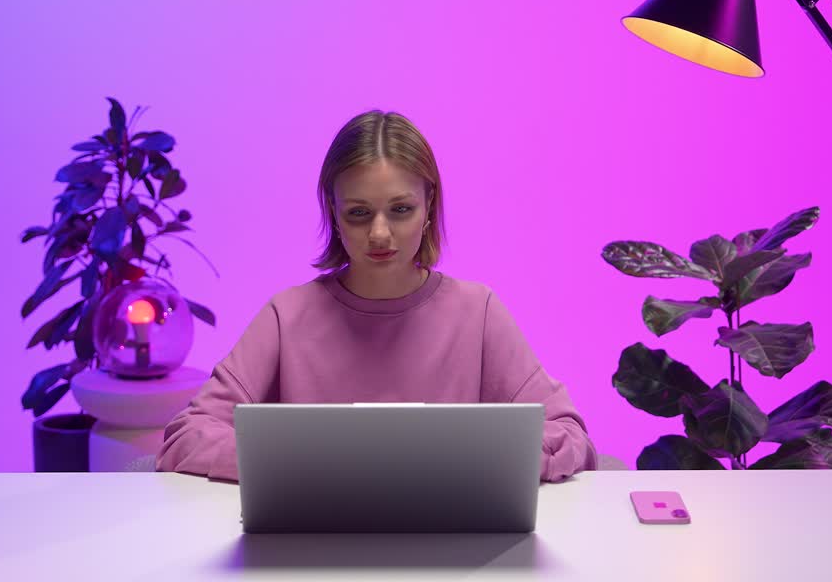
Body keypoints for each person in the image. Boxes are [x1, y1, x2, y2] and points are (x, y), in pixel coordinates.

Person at [157, 110, 598, 482]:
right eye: (359, 214)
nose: (380, 233)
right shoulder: (286, 315)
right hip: (313, 554)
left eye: (401, 210)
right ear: (333, 213)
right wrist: (304, 466)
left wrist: (469, 465)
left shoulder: (477, 312)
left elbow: (570, 436)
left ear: (429, 206)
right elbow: (185, 437)